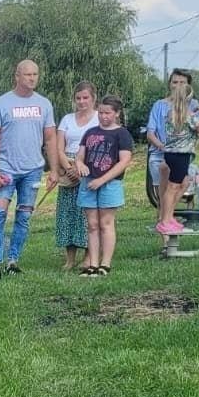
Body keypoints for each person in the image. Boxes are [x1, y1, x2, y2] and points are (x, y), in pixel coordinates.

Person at [0, 59, 55, 276]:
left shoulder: (44, 104)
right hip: (5, 168)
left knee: (23, 216)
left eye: (35, 74)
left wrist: (54, 170)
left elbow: (50, 139)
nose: (32, 78)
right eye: (27, 74)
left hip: (33, 169)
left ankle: (13, 260)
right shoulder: (1, 103)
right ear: (17, 76)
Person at [76, 95, 134, 277]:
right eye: (100, 113)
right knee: (92, 224)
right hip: (88, 182)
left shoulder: (122, 134)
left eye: (107, 113)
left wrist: (102, 180)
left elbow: (124, 161)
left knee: (105, 223)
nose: (103, 116)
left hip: (110, 184)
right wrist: (80, 164)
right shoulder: (90, 132)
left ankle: (105, 263)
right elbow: (80, 155)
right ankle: (92, 263)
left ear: (116, 114)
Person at [150, 70, 199, 237]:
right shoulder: (188, 115)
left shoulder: (171, 114)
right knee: (171, 187)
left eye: (182, 83)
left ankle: (167, 218)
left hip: (175, 153)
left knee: (182, 183)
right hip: (177, 154)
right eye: (175, 82)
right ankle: (165, 221)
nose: (178, 86)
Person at [53, 81, 96, 271]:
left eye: (85, 97)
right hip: (68, 168)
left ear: (93, 98)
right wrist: (67, 167)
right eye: (78, 98)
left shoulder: (98, 118)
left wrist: (81, 170)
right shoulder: (67, 119)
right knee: (67, 214)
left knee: (87, 215)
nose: (81, 101)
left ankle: (89, 256)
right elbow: (58, 147)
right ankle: (69, 258)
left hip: (90, 168)